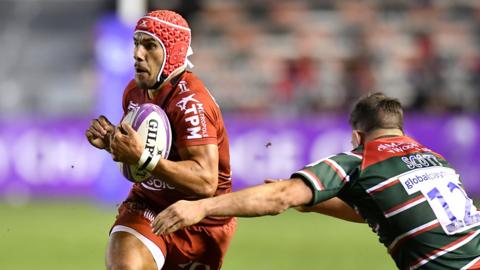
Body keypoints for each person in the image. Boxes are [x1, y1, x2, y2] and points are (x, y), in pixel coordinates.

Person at [152, 93, 480, 270]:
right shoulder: (435, 159)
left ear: (357, 135)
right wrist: (315, 204)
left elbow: (279, 197)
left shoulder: (360, 159)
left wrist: (201, 207)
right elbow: (378, 210)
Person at [85, 10, 237, 270]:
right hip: (148, 205)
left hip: (200, 221)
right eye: (136, 43)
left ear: (173, 51)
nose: (137, 54)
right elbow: (138, 158)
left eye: (149, 45)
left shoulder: (191, 104)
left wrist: (142, 157)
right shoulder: (135, 92)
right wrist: (113, 141)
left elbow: (205, 182)